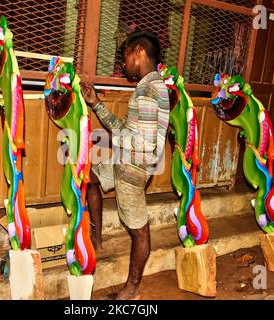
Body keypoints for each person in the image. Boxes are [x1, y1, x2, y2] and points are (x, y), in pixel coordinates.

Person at [81, 30, 170, 300]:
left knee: (139, 231)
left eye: (125, 56)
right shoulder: (148, 87)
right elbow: (126, 129)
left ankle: (132, 287)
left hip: (134, 168)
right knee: (91, 177)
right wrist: (97, 104)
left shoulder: (148, 91)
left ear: (139, 51)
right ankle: (97, 237)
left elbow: (144, 144)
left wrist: (108, 137)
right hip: (124, 159)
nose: (123, 64)